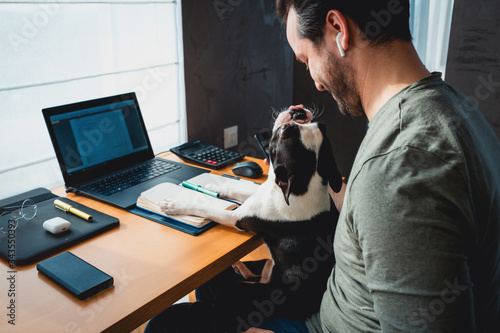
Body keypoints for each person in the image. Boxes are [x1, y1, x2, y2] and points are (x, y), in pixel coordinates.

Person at [146, 0, 500, 332]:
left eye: (305, 59)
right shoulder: (451, 110)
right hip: (328, 300)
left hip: (319, 324)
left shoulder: (401, 165)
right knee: (214, 286)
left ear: (337, 29)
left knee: (166, 325)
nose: (314, 81)